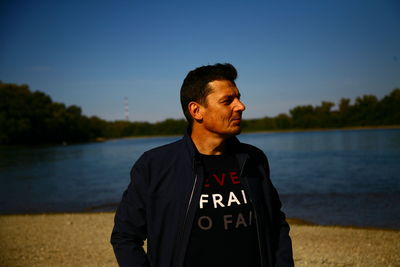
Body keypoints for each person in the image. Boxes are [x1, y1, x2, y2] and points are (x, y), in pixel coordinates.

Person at [111, 63, 294, 267]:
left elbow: (276, 224)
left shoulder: (254, 159)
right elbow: (125, 237)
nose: (241, 106)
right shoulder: (155, 165)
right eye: (228, 101)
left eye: (239, 98)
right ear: (196, 110)